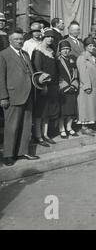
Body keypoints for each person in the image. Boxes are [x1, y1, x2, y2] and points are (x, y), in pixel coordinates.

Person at [0, 29, 40, 166]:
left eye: (21, 39)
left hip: (28, 95)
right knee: (12, 127)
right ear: (10, 41)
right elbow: (1, 78)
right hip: (13, 96)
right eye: (16, 39)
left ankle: (22, 152)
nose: (20, 41)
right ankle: (8, 155)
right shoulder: (3, 55)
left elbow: (31, 73)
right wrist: (3, 97)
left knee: (26, 125)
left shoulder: (25, 54)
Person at [31, 29, 60, 145]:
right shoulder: (38, 51)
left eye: (52, 37)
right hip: (42, 85)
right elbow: (37, 70)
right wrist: (43, 85)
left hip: (52, 85)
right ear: (43, 37)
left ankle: (45, 134)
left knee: (47, 112)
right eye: (48, 37)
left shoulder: (51, 51)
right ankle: (38, 136)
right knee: (40, 111)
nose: (50, 39)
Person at [76, 37, 96, 136]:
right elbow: (83, 72)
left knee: (91, 107)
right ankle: (84, 127)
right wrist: (87, 86)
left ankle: (88, 127)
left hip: (94, 85)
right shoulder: (82, 58)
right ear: (85, 47)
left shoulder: (93, 57)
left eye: (93, 45)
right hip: (87, 86)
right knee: (85, 107)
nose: (92, 47)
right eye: (90, 45)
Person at [57, 40, 79, 139]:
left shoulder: (72, 60)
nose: (65, 51)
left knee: (71, 109)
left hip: (72, 87)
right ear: (60, 50)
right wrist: (65, 86)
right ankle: (61, 129)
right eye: (63, 49)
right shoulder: (57, 61)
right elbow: (57, 76)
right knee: (63, 111)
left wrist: (74, 85)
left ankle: (69, 127)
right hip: (63, 89)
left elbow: (75, 73)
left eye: (67, 49)